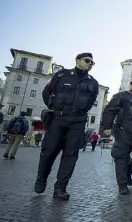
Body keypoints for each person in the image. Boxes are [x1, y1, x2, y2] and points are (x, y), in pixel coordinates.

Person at [34, 53, 99, 200]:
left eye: (92, 63)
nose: (90, 64)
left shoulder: (93, 83)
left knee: (71, 155)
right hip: (59, 118)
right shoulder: (62, 75)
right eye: (87, 61)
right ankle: (41, 178)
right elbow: (47, 92)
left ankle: (60, 188)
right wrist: (54, 107)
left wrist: (79, 112)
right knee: (49, 151)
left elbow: (91, 101)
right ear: (77, 61)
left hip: (78, 121)